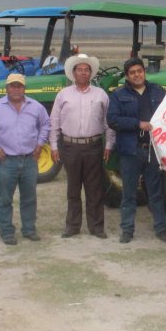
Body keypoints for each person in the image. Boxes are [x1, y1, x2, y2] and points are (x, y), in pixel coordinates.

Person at [50, 54, 115, 239]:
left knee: (94, 189)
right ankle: (72, 227)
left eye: (86, 70)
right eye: (80, 69)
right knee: (73, 189)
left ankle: (96, 227)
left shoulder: (101, 95)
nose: (83, 72)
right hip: (70, 147)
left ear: (91, 73)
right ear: (73, 73)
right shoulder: (63, 95)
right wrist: (53, 146)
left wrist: (109, 144)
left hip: (93, 146)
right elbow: (54, 122)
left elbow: (108, 123)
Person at [0, 72, 51, 245]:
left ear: (24, 88)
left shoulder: (36, 107)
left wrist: (40, 144)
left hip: (29, 160)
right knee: (5, 199)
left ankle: (29, 229)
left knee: (29, 198)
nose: (16, 89)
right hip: (7, 161)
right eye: (13, 86)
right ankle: (6, 231)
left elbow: (46, 124)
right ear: (7, 88)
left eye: (19, 86)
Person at [107, 57, 166, 244]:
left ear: (144, 72)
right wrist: (137, 124)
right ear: (127, 76)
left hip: (153, 150)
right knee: (129, 193)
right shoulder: (118, 95)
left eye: (139, 71)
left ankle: (161, 228)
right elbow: (113, 120)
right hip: (130, 151)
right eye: (132, 72)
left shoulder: (158, 91)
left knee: (155, 191)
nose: (137, 75)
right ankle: (127, 230)